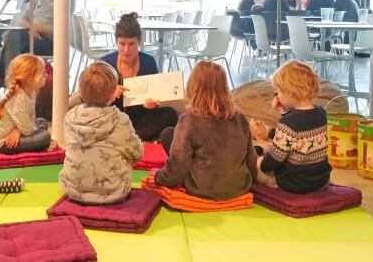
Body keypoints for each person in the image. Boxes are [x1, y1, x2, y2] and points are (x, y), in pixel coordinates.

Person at [149, 61, 258, 201]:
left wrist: (159, 178)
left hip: (201, 189)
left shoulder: (188, 120)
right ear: (225, 87)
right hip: (239, 188)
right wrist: (251, 181)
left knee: (168, 134)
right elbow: (251, 159)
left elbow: (179, 165)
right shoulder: (241, 119)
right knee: (172, 134)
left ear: (193, 87)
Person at [60, 62, 143, 204]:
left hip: (72, 189)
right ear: (113, 94)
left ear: (80, 91)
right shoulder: (120, 119)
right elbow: (137, 153)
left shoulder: (69, 117)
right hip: (115, 192)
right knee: (126, 151)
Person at [99, 13, 178, 141]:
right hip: (112, 114)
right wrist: (109, 92)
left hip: (141, 116)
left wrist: (152, 103)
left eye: (131, 44)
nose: (126, 49)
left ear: (139, 42)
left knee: (170, 113)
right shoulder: (105, 63)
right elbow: (93, 98)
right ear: (116, 42)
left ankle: (132, 136)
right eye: (122, 43)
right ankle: (131, 137)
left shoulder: (148, 61)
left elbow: (154, 96)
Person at [257, 61, 332, 194]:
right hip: (321, 180)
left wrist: (262, 163)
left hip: (294, 183)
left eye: (278, 91)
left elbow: (275, 159)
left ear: (289, 93)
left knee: (256, 167)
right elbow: (301, 121)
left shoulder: (287, 124)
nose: (277, 95)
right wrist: (284, 110)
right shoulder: (322, 113)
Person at [0, 54, 56, 154]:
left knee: (41, 121)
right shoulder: (18, 98)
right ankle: (41, 144)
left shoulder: (32, 91)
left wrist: (17, 131)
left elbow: (31, 118)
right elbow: (28, 130)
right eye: (42, 73)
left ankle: (35, 142)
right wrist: (21, 130)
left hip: (17, 131)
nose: (46, 75)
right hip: (2, 144)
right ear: (29, 79)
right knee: (45, 137)